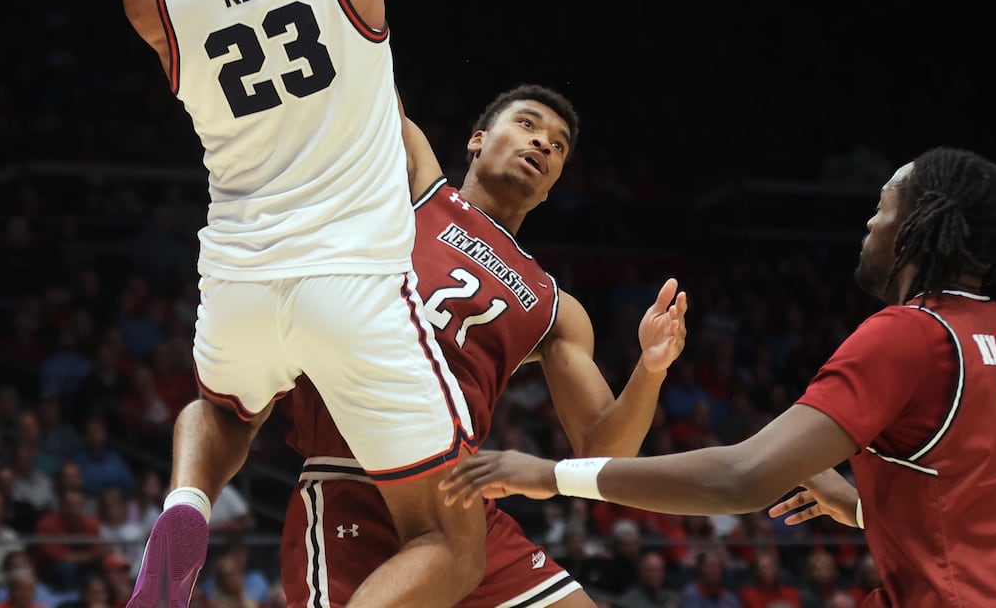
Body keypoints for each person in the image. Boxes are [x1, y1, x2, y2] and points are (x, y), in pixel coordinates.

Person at [115, 0, 482, 608]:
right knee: (451, 540)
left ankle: (186, 498)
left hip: (240, 275)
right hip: (353, 281)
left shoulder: (153, 0)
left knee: (221, 414)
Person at [442, 147, 996, 607]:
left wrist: (551, 477)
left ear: (919, 224)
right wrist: (863, 507)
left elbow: (741, 478)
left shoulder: (915, 334)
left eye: (883, 206)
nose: (869, 223)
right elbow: (992, 518)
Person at [277, 86, 688, 608]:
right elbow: (370, 80)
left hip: (458, 495)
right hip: (355, 476)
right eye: (527, 124)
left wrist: (651, 369)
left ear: (551, 187)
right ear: (477, 139)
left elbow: (602, 453)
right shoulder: (418, 186)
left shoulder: (555, 306)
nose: (543, 143)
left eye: (559, 146)